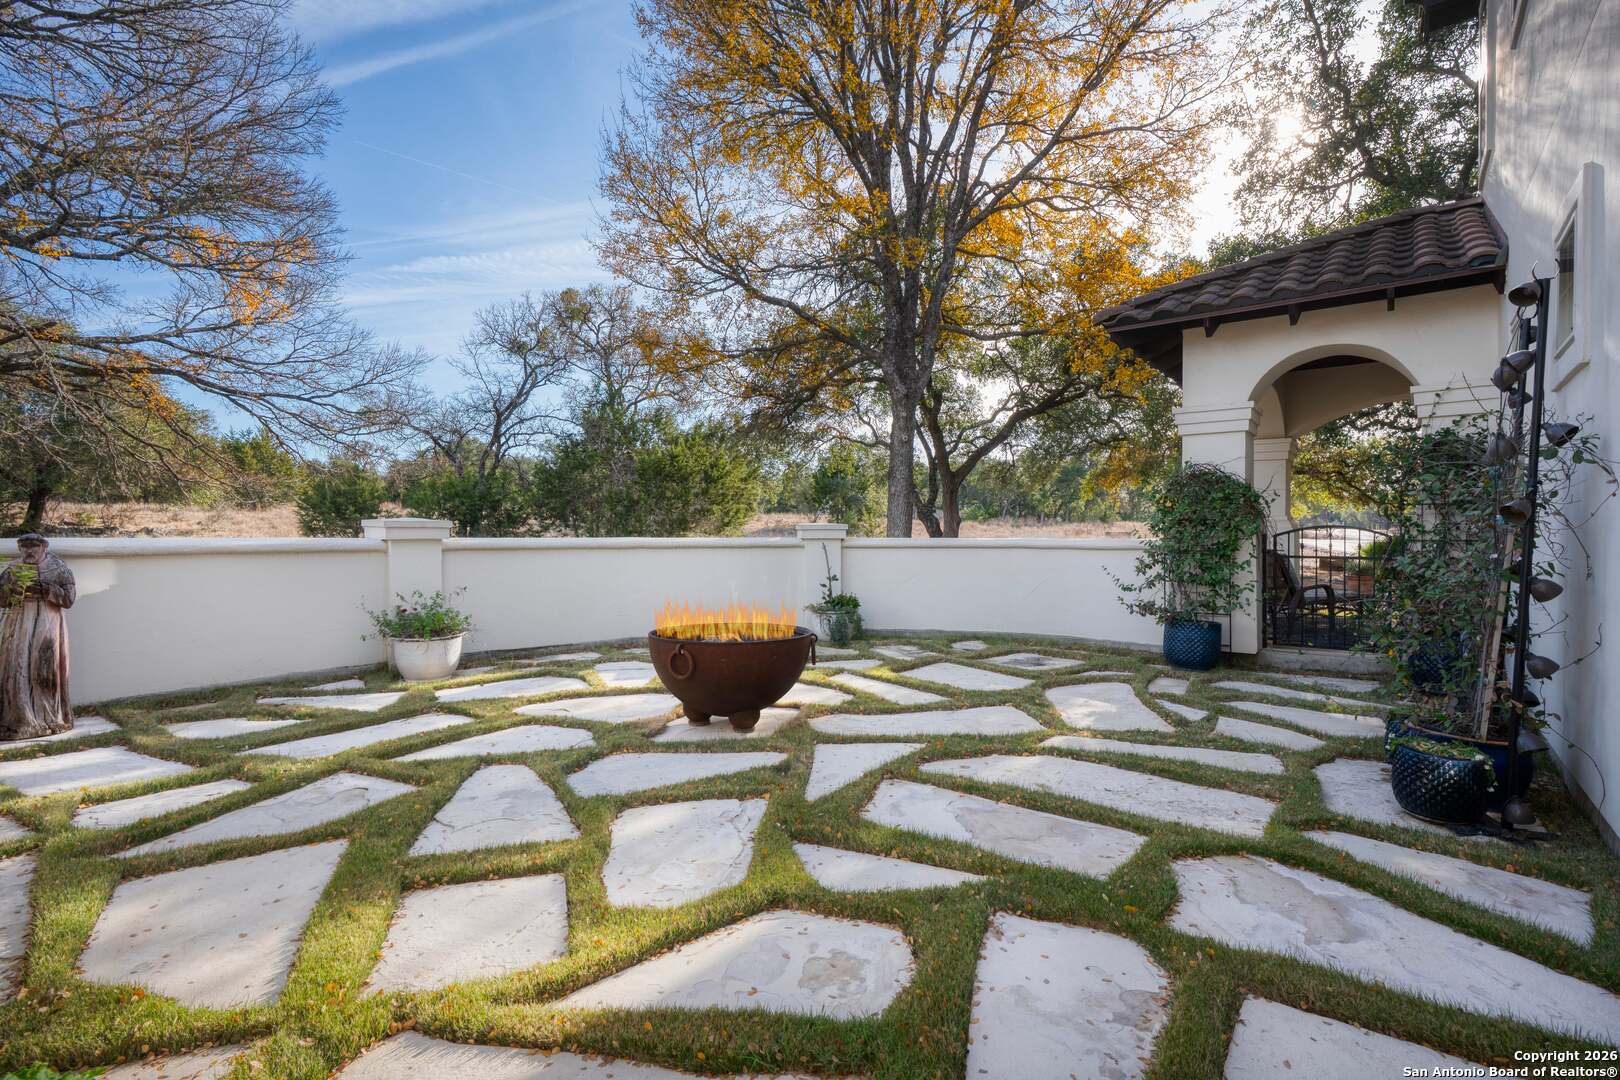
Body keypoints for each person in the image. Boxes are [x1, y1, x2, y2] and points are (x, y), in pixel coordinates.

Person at [0, 534, 76, 741]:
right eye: (24, 547)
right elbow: (2, 598)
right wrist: (14, 591)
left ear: (43, 547)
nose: (29, 551)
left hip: (48, 623)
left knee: (44, 668)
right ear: (19, 549)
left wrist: (46, 590)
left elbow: (69, 598)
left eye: (34, 546)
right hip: (18, 625)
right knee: (16, 668)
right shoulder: (13, 569)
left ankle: (49, 718)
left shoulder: (58, 567)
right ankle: (18, 719)